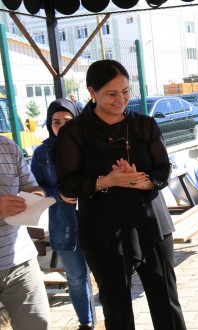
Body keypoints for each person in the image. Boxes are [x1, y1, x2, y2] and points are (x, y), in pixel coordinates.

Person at [56, 59, 186, 330]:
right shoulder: (74, 132)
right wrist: (108, 181)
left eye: (126, 91)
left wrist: (146, 181)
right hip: (102, 230)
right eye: (112, 94)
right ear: (92, 92)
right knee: (116, 310)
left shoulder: (145, 124)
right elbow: (68, 185)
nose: (121, 100)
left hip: (151, 224)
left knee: (166, 302)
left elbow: (163, 168)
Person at [31, 98, 94, 330]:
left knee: (106, 276)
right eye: (55, 121)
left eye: (68, 120)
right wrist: (59, 195)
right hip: (63, 225)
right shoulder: (41, 153)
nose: (62, 125)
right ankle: (85, 323)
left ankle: (113, 318)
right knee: (76, 279)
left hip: (95, 222)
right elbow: (34, 188)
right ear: (49, 124)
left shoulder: (91, 146)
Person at [0, 136, 50, 329]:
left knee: (38, 325)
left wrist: (35, 198)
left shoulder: (7, 146)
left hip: (21, 263)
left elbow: (31, 186)